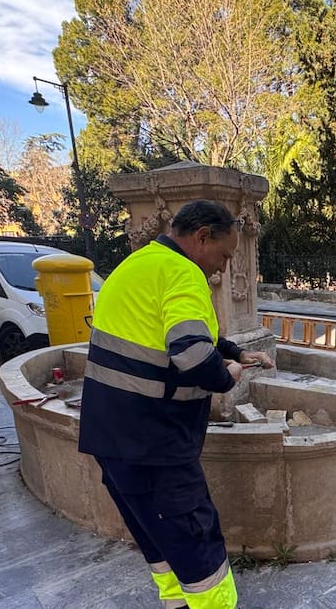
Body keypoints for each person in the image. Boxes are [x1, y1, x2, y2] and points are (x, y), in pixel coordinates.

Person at [79, 200, 274, 609]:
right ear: (202, 236)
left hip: (111, 438)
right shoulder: (184, 273)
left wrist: (236, 351)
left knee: (157, 538)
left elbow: (164, 332)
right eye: (223, 255)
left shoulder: (137, 265)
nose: (223, 268)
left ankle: (177, 604)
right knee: (197, 545)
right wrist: (227, 376)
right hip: (157, 444)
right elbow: (191, 353)